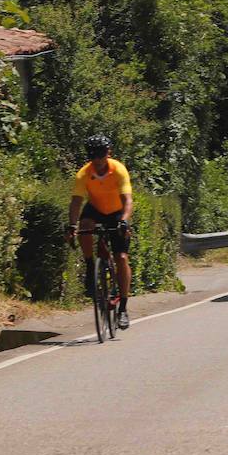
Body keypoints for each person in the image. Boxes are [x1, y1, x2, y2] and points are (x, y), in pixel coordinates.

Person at [66, 134, 134, 329]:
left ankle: (123, 308)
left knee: (121, 258)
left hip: (116, 213)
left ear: (108, 153)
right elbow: (76, 202)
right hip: (95, 209)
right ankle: (89, 266)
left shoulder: (118, 170)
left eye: (101, 154)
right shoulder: (84, 174)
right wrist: (72, 225)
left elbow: (127, 200)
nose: (97, 158)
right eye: (93, 154)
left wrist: (124, 221)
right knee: (84, 226)